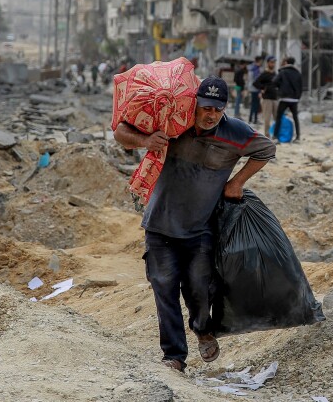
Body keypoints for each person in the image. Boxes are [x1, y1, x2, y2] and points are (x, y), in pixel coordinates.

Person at [113, 77, 276, 372]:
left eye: (217, 109)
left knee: (200, 287)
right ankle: (175, 355)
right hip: (160, 226)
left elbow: (266, 149)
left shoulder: (235, 133)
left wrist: (237, 182)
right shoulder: (173, 123)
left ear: (224, 109)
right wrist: (146, 141)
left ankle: (202, 328)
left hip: (200, 229)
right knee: (164, 288)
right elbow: (120, 131)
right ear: (194, 104)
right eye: (205, 107)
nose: (211, 114)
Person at [274, 56, 304, 143]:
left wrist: (279, 90)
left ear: (286, 62)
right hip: (294, 99)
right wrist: (297, 97)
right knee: (295, 118)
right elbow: (301, 87)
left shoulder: (282, 72)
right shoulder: (298, 73)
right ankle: (298, 137)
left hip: (284, 98)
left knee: (279, 117)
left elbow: (274, 82)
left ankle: (275, 136)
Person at [253, 56, 279, 137]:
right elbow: (255, 83)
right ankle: (267, 135)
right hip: (267, 99)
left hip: (275, 98)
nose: (273, 64)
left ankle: (276, 134)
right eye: (271, 62)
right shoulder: (264, 73)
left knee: (277, 118)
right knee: (267, 119)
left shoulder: (275, 74)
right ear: (268, 63)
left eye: (274, 62)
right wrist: (263, 88)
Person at [247, 56, 263, 125]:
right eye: (260, 61)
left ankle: (252, 119)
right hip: (255, 89)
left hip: (253, 88)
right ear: (258, 61)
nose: (261, 63)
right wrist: (260, 89)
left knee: (254, 104)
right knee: (255, 105)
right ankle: (253, 119)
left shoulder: (252, 68)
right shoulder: (255, 69)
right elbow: (256, 81)